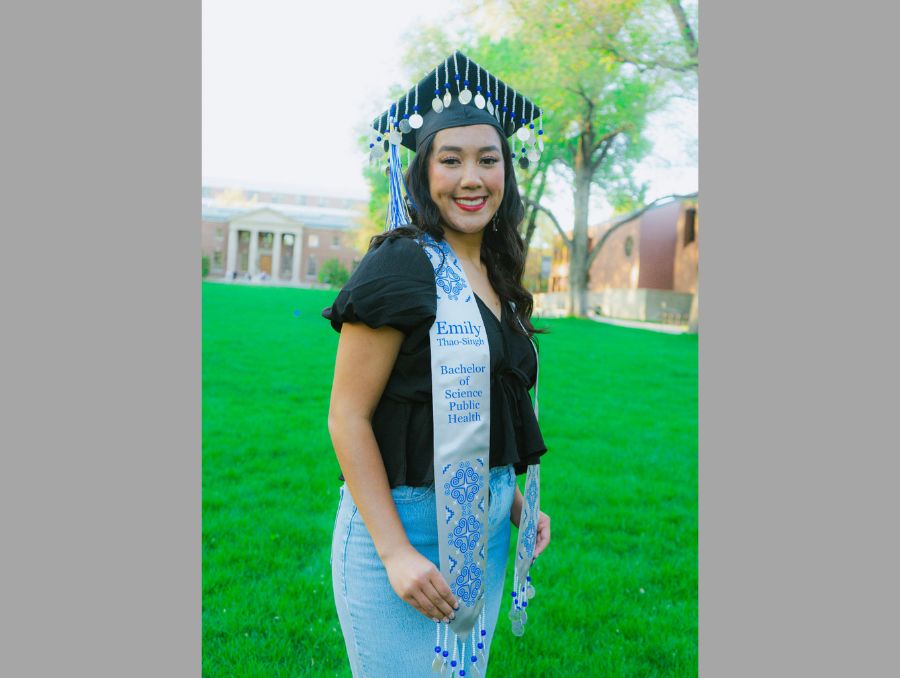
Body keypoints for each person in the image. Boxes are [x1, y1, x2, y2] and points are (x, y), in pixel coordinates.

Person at [322, 51, 551, 677]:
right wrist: (395, 552)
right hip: (402, 532)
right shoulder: (399, 265)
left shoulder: (498, 275)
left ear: (507, 172)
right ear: (423, 173)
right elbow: (347, 416)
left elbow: (489, 404)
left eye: (488, 159)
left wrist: (513, 499)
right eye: (450, 160)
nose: (471, 178)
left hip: (485, 529)